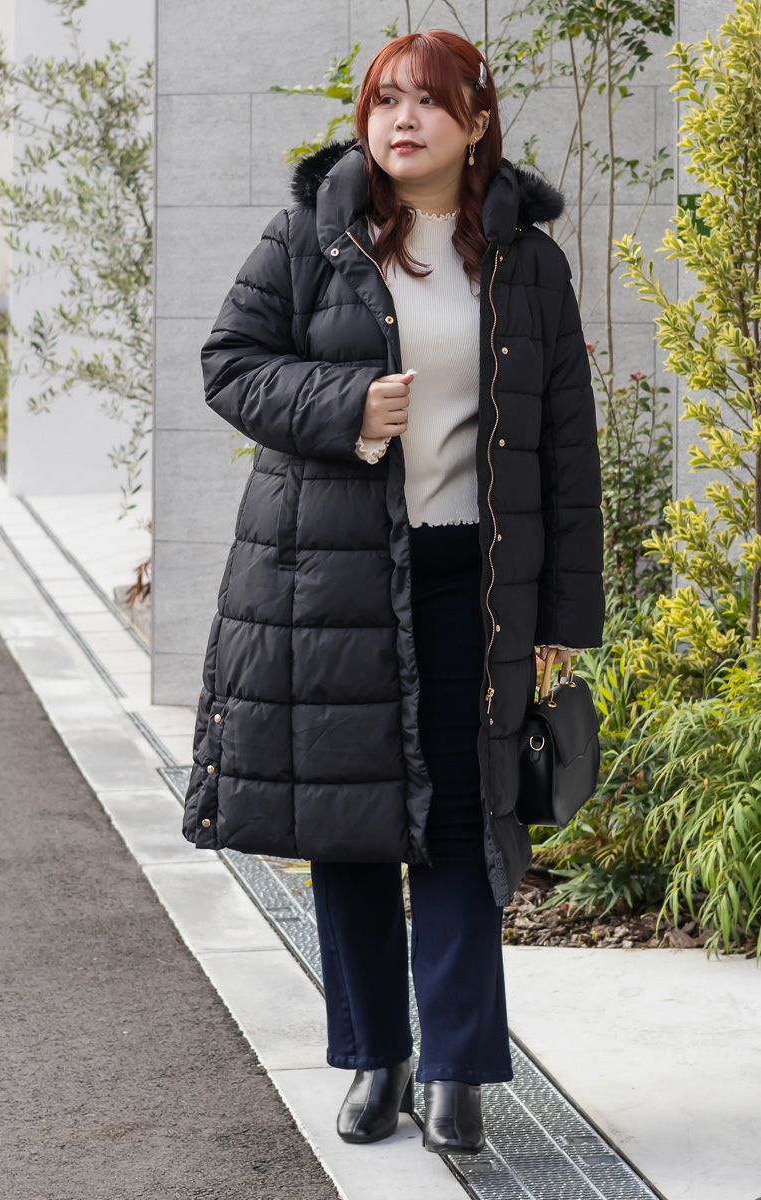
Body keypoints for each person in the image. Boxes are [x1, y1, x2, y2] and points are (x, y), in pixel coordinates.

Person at [181, 29, 605, 1155]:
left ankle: (458, 1068)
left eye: (428, 102)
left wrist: (566, 620)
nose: (401, 121)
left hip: (476, 580)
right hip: (331, 577)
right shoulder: (309, 236)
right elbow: (228, 363)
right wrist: (346, 406)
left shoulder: (528, 263)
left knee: (466, 823)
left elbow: (567, 449)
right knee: (354, 827)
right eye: (383, 102)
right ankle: (379, 1057)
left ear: (476, 124)